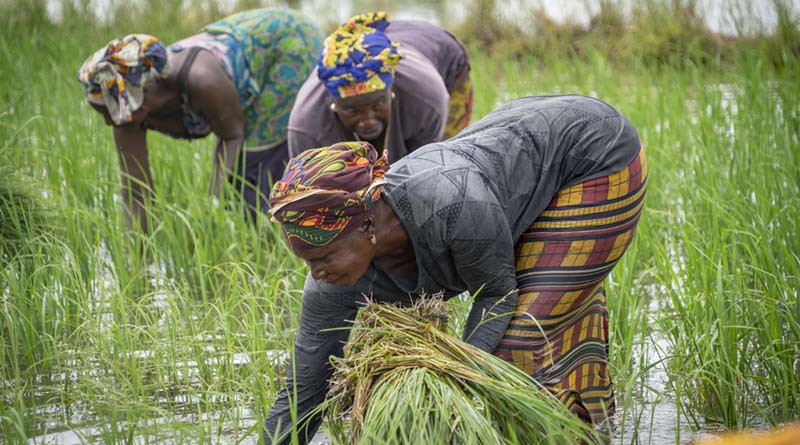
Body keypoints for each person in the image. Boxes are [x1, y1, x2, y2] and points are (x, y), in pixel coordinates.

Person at [264, 94, 649, 444]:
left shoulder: (450, 204)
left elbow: (496, 294)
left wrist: (452, 377)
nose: (316, 274)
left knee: (516, 344)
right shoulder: (331, 285)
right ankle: (592, 431)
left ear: (367, 227)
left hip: (594, 154)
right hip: (514, 182)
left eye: (324, 258)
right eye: (307, 262)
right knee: (537, 319)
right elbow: (303, 391)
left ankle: (567, 434)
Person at [77, 8, 323, 230]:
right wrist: (138, 251)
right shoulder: (125, 114)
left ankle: (279, 233)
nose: (110, 122)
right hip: (247, 56)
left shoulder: (201, 79)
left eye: (109, 113)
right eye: (104, 113)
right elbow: (135, 190)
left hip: (287, 44)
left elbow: (232, 136)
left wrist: (210, 207)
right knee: (237, 191)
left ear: (143, 95)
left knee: (252, 172)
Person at [287, 12, 472, 162]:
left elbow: (428, 171)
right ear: (335, 104)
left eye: (377, 105)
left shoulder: (425, 100)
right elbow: (308, 188)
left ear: (390, 91)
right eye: (351, 110)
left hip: (443, 57)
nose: (367, 121)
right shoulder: (306, 126)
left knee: (449, 159)